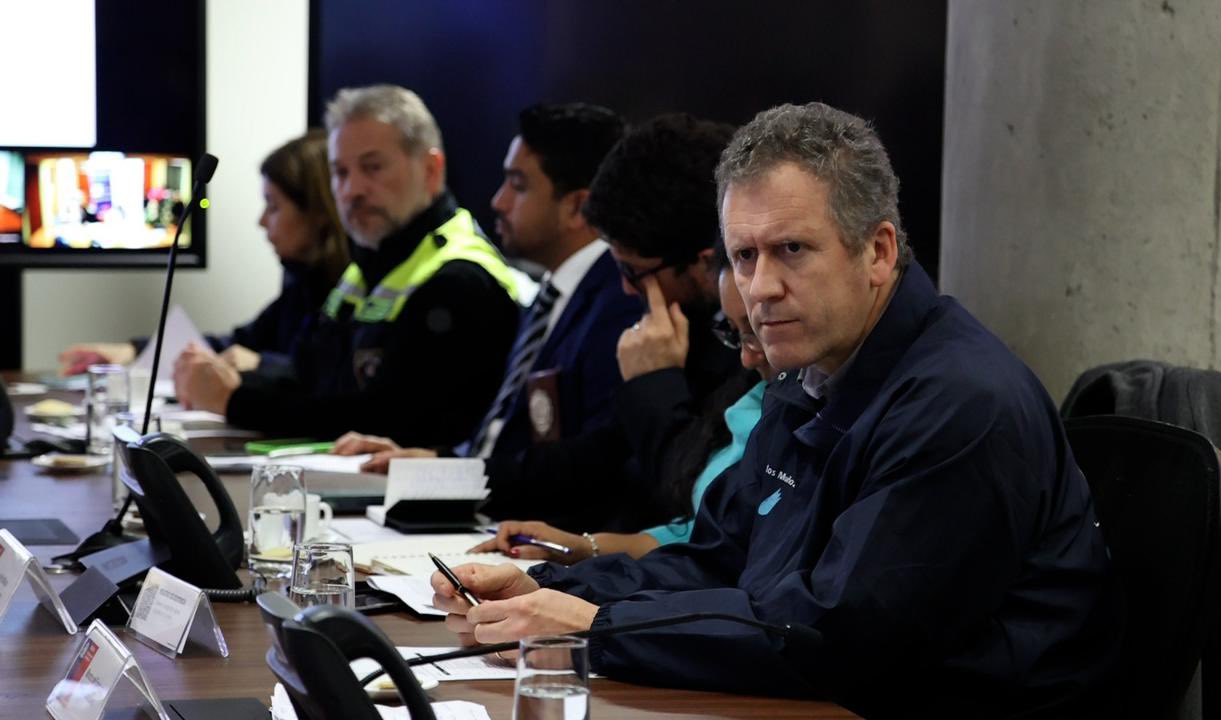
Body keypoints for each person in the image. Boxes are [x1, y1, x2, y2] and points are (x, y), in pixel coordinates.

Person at [431, 103, 1123, 718]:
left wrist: (594, 626)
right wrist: (546, 586)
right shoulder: (810, 372)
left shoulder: (959, 402)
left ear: (878, 252)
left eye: (791, 250)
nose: (760, 288)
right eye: (744, 256)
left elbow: (838, 635)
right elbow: (719, 559)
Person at [336, 114, 740, 533]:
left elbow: (643, 481)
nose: (625, 287)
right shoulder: (634, 302)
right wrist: (444, 468)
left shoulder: (655, 321)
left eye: (519, 184)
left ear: (705, 263)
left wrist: (655, 383)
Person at [174, 85, 522, 448]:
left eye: (372, 168)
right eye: (340, 172)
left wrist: (235, 401)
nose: (352, 189)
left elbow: (387, 418)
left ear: (431, 170)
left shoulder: (461, 278)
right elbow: (311, 380)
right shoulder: (367, 267)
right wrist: (234, 381)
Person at [333, 102, 640, 466]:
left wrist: (455, 476)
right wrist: (431, 462)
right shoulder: (551, 297)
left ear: (578, 208)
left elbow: (586, 466)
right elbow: (502, 443)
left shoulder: (619, 304)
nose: (498, 202)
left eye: (518, 185)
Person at [472, 247, 769, 563]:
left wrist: (654, 382)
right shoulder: (752, 396)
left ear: (703, 263)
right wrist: (580, 547)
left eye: (632, 271)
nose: (746, 357)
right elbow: (700, 532)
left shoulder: (774, 400)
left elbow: (690, 512)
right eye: (734, 332)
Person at [57, 130, 348, 377]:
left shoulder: (352, 290)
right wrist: (133, 350)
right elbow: (236, 344)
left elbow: (336, 381)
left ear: (319, 210)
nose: (261, 221)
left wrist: (262, 365)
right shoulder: (300, 283)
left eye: (273, 206)